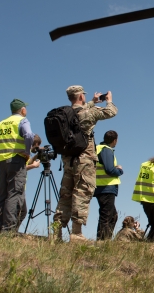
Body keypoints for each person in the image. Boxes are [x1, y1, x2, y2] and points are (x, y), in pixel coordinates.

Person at [52, 86, 117, 242]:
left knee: (65, 195)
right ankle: (76, 232)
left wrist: (92, 102)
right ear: (81, 96)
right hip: (84, 160)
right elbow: (111, 112)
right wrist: (109, 101)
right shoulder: (89, 113)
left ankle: (55, 233)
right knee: (82, 192)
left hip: (67, 160)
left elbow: (79, 110)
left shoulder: (66, 114)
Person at [0, 99, 37, 232]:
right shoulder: (22, 120)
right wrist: (27, 151)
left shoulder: (0, 123)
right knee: (14, 194)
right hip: (16, 160)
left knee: (2, 195)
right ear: (23, 110)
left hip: (1, 161)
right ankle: (8, 230)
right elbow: (29, 135)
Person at [93, 130, 123, 240]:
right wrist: (119, 170)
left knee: (113, 216)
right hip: (106, 187)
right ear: (115, 140)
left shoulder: (98, 148)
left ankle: (105, 239)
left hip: (101, 187)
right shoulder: (106, 150)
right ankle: (102, 240)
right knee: (107, 215)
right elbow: (109, 169)